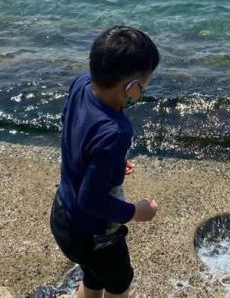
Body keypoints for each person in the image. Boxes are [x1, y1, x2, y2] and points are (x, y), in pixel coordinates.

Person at [50, 26, 160, 298]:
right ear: (131, 88)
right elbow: (92, 200)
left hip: (64, 215)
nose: (141, 93)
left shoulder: (80, 84)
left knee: (93, 277)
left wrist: (109, 163)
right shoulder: (116, 131)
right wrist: (136, 211)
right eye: (142, 88)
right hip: (97, 237)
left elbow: (71, 127)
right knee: (118, 284)